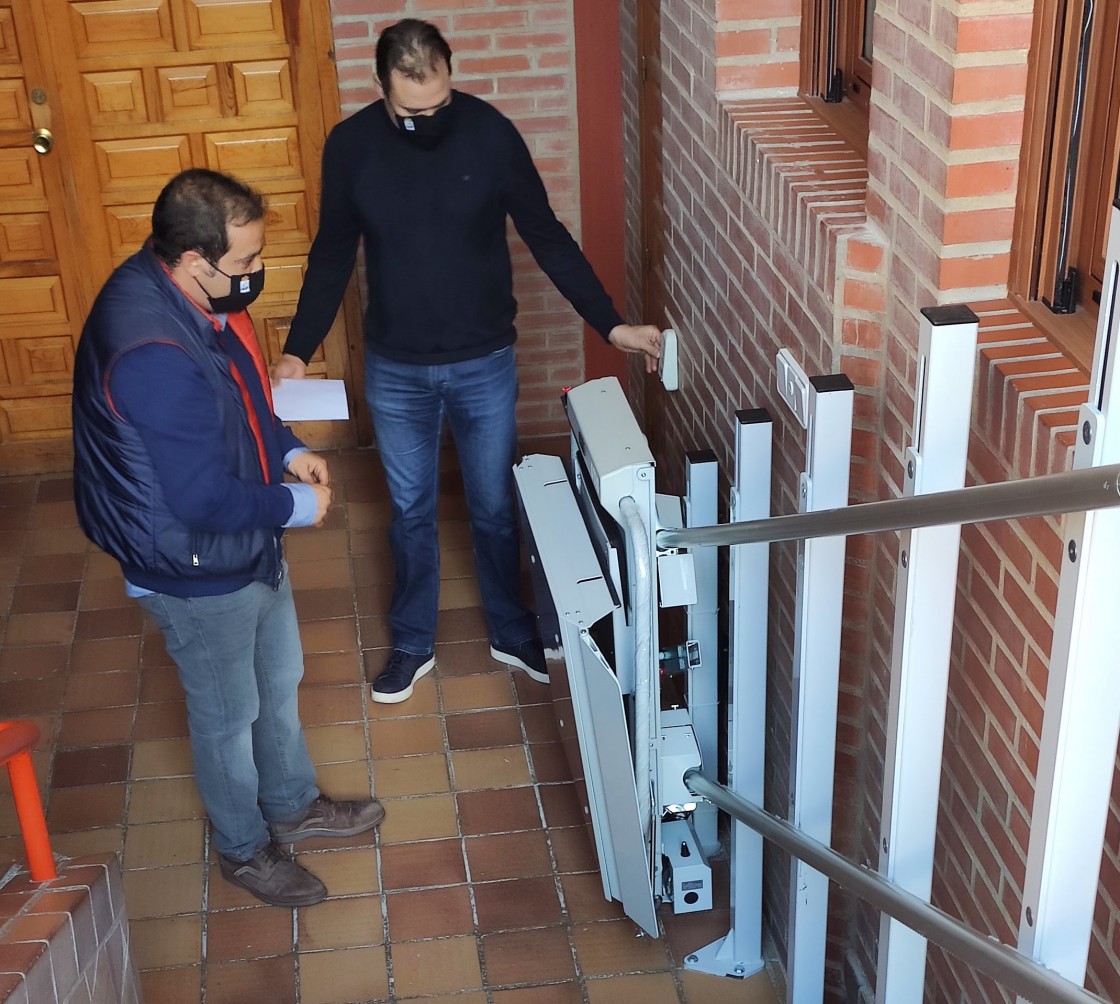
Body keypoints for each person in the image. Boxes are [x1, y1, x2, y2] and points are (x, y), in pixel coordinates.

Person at [272, 18, 662, 705]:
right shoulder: (352, 147)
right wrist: (298, 349)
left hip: (484, 361)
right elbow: (332, 253)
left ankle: (511, 629)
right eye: (412, 112)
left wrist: (611, 324)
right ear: (382, 88)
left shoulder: (490, 134)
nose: (430, 121)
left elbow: (546, 235)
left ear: (450, 78)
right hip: (396, 369)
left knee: (493, 507)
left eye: (440, 105)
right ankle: (412, 641)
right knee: (410, 512)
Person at [71, 168, 384, 909]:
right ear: (192, 260)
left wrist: (286, 449)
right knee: (227, 715)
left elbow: (243, 397)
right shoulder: (151, 350)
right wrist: (296, 505)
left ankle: (291, 803)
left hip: (240, 540)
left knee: (277, 680)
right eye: (244, 261)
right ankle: (244, 849)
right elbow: (201, 498)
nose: (255, 272)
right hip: (192, 562)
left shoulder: (194, 300)